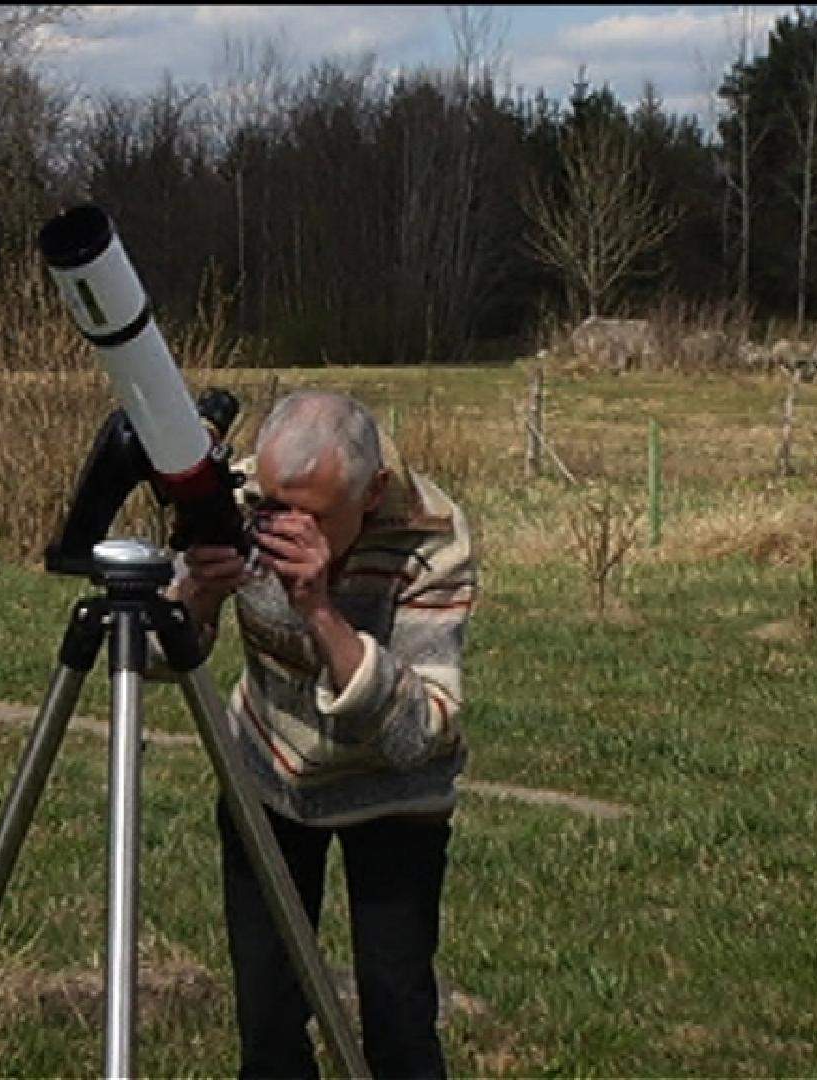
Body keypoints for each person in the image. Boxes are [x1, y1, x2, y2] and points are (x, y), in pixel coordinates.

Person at [170, 390, 478, 1079]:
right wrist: (195, 598)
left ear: (370, 495)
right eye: (272, 505)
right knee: (269, 1021)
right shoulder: (246, 495)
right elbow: (161, 661)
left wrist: (319, 609)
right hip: (269, 775)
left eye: (311, 517)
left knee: (397, 1020)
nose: (281, 528)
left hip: (396, 795)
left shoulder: (435, 537)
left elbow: (419, 733)